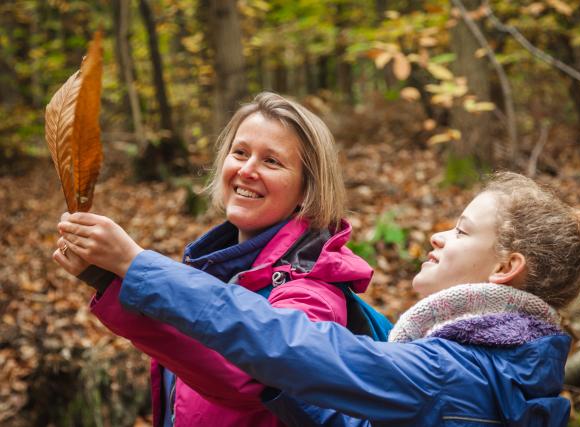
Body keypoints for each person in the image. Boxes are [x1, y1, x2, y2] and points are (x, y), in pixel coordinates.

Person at [59, 171, 580, 426]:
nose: (439, 235)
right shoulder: (500, 365)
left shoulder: (450, 372)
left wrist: (139, 267)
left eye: (463, 232)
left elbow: (289, 343)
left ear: (506, 268)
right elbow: (340, 415)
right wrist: (117, 285)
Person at [53, 92, 382, 427]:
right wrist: (108, 279)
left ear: (306, 190)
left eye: (272, 161)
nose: (247, 169)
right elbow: (188, 345)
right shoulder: (216, 269)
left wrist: (134, 264)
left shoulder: (312, 291)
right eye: (239, 153)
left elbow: (254, 373)